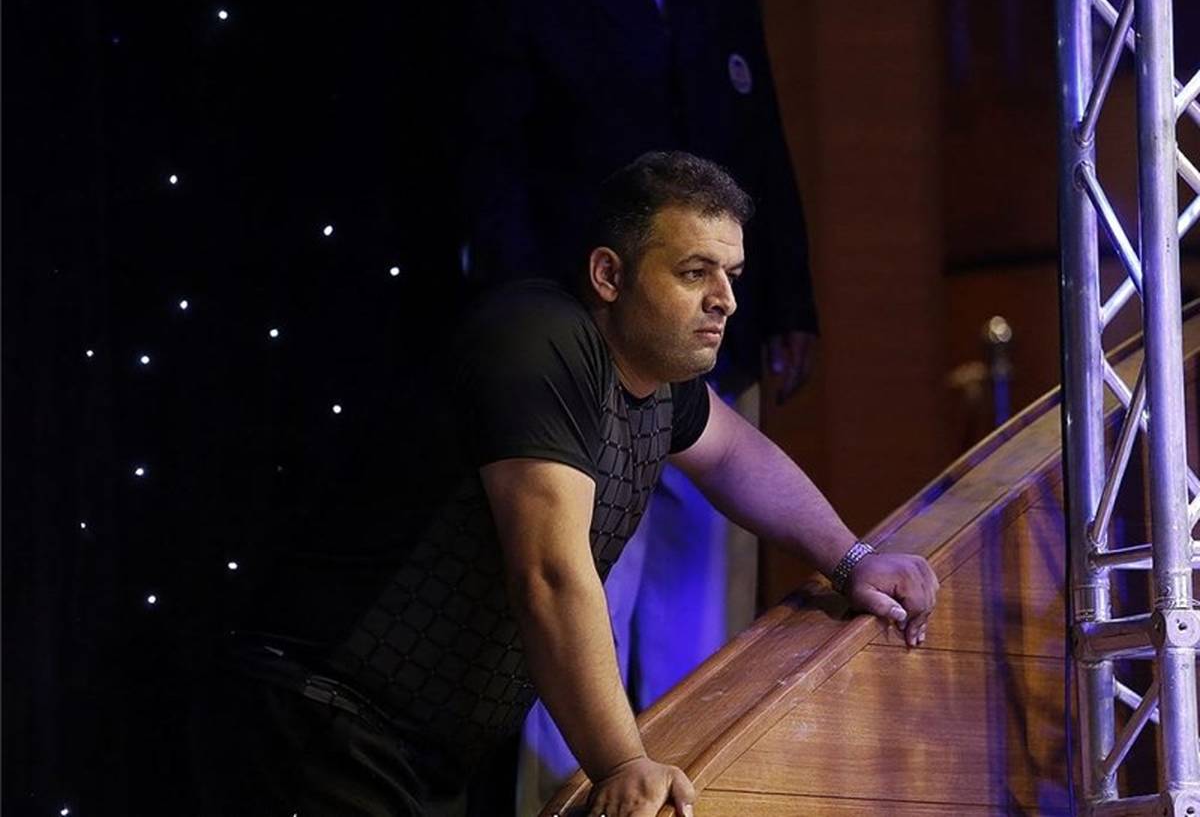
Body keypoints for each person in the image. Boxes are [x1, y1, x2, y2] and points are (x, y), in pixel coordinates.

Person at [196, 151, 937, 817]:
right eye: (694, 273)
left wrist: (852, 559)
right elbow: (550, 574)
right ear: (608, 275)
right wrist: (622, 762)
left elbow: (735, 457)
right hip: (319, 718)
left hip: (419, 748)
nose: (725, 300)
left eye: (731, 276)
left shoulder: (658, 372)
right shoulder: (538, 340)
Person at [455, 0, 819, 809]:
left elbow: (759, 137)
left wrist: (787, 300)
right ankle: (575, 799)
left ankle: (689, 796)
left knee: (703, 616)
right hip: (584, 330)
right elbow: (494, 151)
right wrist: (535, 314)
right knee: (582, 598)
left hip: (699, 352)